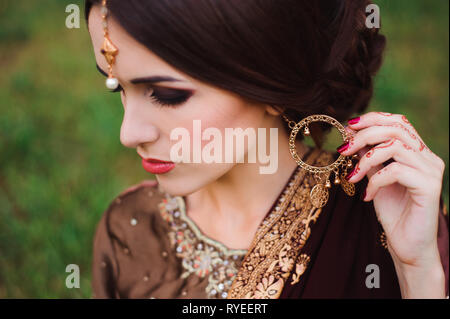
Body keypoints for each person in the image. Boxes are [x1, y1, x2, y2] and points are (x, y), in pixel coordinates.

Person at [85, 0, 449, 298]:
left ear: (272, 85)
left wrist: (418, 275)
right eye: (118, 89)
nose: (128, 133)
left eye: (168, 95)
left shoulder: (383, 219)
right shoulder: (129, 229)